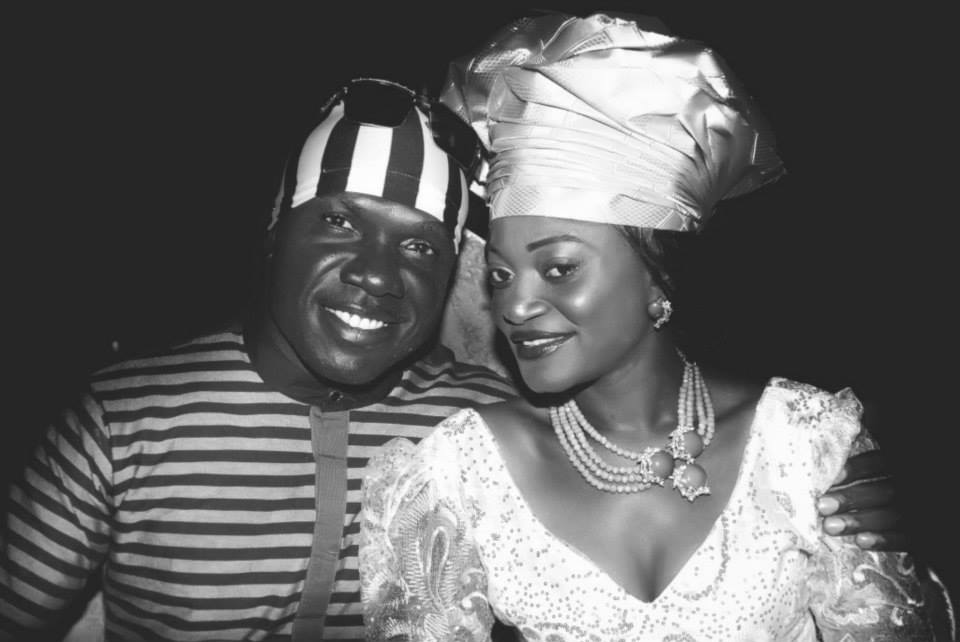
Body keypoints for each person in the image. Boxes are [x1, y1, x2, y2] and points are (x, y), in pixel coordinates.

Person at [0, 75, 908, 641]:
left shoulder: (469, 421)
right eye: (338, 223)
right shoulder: (127, 418)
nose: (374, 275)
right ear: (274, 233)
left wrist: (863, 544)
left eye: (421, 247)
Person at [360, 13, 955, 641]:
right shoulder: (458, 470)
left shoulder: (804, 445)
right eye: (501, 275)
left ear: (656, 278)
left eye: (559, 268)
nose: (515, 305)